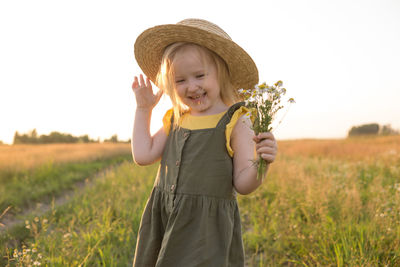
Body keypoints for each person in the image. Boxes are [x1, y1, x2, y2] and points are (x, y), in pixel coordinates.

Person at [131, 18, 277, 267]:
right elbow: (143, 155)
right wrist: (143, 110)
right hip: (166, 218)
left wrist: (261, 164)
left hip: (205, 232)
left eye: (199, 75)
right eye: (180, 80)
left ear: (221, 74)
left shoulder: (236, 121)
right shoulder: (176, 118)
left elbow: (242, 183)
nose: (192, 87)